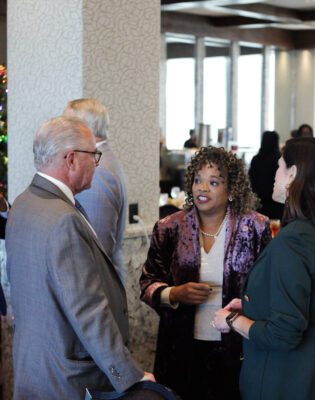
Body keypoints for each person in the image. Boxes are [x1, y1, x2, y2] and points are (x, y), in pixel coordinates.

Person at [6, 116, 154, 399]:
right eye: (93, 155)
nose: (96, 163)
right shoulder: (64, 220)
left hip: (34, 366)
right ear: (71, 159)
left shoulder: (23, 203)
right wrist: (129, 375)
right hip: (66, 378)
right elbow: (88, 311)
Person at [213, 138, 315, 400]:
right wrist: (253, 306)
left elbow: (284, 334)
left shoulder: (293, 241)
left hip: (290, 381)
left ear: (293, 174)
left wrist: (231, 320)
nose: (274, 175)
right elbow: (314, 305)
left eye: (279, 167)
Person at [140, 146, 271, 400]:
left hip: (237, 346)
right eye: (197, 180)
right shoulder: (170, 227)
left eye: (213, 182)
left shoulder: (255, 227)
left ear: (231, 190)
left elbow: (267, 287)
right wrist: (174, 294)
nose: (202, 188)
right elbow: (147, 282)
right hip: (181, 347)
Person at [63, 98, 128, 277]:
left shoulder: (98, 170)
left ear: (84, 128)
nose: (63, 130)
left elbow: (95, 249)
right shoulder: (102, 158)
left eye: (67, 124)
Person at [248, 130, 284, 219]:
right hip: (276, 201)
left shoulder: (256, 159)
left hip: (259, 200)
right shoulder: (279, 160)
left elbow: (251, 180)